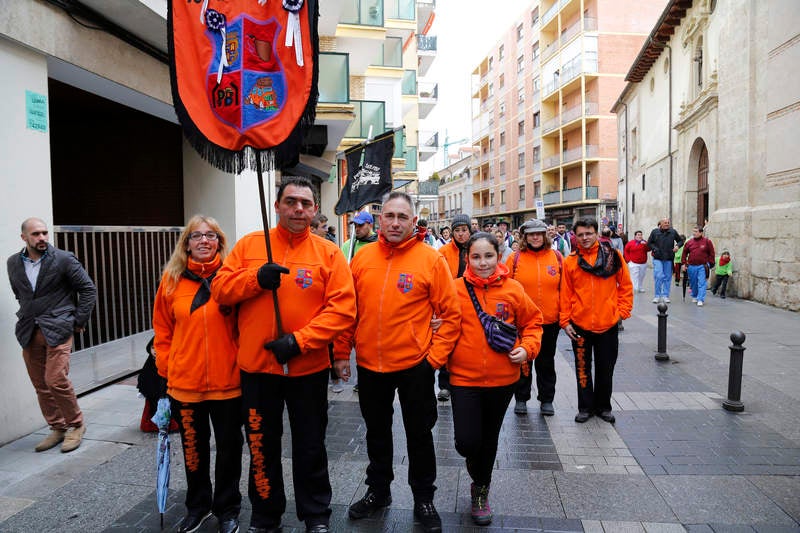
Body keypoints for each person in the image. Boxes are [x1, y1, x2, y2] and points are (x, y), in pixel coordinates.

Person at [212, 177, 357, 533]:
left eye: (305, 203)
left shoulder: (329, 253)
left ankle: (316, 515)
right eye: (291, 201)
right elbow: (220, 290)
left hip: (307, 370)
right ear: (277, 206)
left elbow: (342, 310)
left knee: (311, 446)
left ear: (314, 210)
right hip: (258, 370)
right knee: (261, 447)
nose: (298, 209)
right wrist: (255, 279)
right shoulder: (250, 245)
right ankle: (265, 515)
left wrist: (299, 342)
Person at [334, 191, 461, 533]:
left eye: (402, 217)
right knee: (376, 433)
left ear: (413, 222)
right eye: (389, 216)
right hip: (370, 366)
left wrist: (433, 360)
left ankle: (424, 497)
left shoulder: (431, 260)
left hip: (414, 366)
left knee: (419, 435)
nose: (394, 222)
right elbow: (348, 312)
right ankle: (378, 491)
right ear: (380, 219)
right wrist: (342, 353)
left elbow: (451, 316)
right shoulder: (361, 258)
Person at [153, 215, 243, 533]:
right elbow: (162, 331)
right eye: (196, 235)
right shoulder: (171, 281)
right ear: (186, 244)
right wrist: (168, 367)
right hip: (185, 386)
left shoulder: (232, 279)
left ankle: (227, 508)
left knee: (229, 450)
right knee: (193, 450)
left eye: (211, 235)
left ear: (219, 242)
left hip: (228, 384)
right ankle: (198, 506)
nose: (204, 240)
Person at [449, 232, 543, 526]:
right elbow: (436, 320)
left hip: (503, 381)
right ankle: (474, 463)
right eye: (476, 257)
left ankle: (480, 490)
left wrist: (527, 349)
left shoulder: (513, 289)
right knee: (466, 442)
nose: (482, 263)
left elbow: (533, 323)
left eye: (488, 256)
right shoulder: (454, 289)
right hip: (463, 379)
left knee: (488, 440)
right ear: (467, 258)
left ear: (498, 256)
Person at [7, 217, 96, 454]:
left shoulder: (64, 259)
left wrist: (78, 320)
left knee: (55, 379)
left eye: (45, 233)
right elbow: (20, 293)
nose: (42, 238)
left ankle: (76, 424)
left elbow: (88, 289)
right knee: (40, 384)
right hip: (29, 330)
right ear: (24, 237)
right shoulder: (13, 263)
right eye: (36, 234)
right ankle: (57, 427)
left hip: (59, 328)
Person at [560, 218, 633, 424]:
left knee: (605, 369)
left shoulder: (613, 256)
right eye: (580, 234)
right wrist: (565, 321)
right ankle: (585, 408)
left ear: (596, 233)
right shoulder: (570, 261)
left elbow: (625, 286)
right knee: (582, 369)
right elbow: (565, 293)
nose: (585, 238)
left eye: (589, 233)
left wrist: (622, 312)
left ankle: (603, 407)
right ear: (575, 236)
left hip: (608, 323)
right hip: (580, 325)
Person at [507, 219, 561, 417]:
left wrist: (564, 316)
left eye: (539, 233)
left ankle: (546, 399)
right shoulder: (514, 258)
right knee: (523, 361)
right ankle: (521, 398)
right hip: (522, 322)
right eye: (531, 234)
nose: (536, 237)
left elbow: (564, 288)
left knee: (546, 362)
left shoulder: (556, 257)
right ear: (525, 237)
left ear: (545, 235)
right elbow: (505, 288)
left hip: (549, 321)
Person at [437, 212, 473, 402]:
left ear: (470, 231)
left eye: (464, 230)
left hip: (471, 303)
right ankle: (445, 385)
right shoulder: (443, 252)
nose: (460, 233)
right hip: (449, 304)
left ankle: (464, 381)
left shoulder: (475, 248)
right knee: (447, 344)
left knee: (467, 344)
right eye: (457, 230)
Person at [646, 218, 684, 304]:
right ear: (661, 224)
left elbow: (680, 241)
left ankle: (665, 295)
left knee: (667, 277)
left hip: (668, 258)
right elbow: (649, 243)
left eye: (668, 223)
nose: (667, 224)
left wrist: (677, 246)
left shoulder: (673, 232)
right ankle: (657, 296)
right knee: (659, 276)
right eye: (665, 223)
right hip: (658, 257)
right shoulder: (655, 232)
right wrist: (655, 249)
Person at [681, 225, 716, 307]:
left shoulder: (707, 242)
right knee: (693, 282)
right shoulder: (689, 242)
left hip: (702, 266)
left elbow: (712, 253)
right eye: (693, 231)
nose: (694, 233)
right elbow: (684, 253)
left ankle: (700, 299)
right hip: (691, 266)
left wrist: (710, 264)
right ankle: (695, 295)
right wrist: (684, 263)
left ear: (701, 233)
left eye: (696, 232)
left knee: (701, 282)